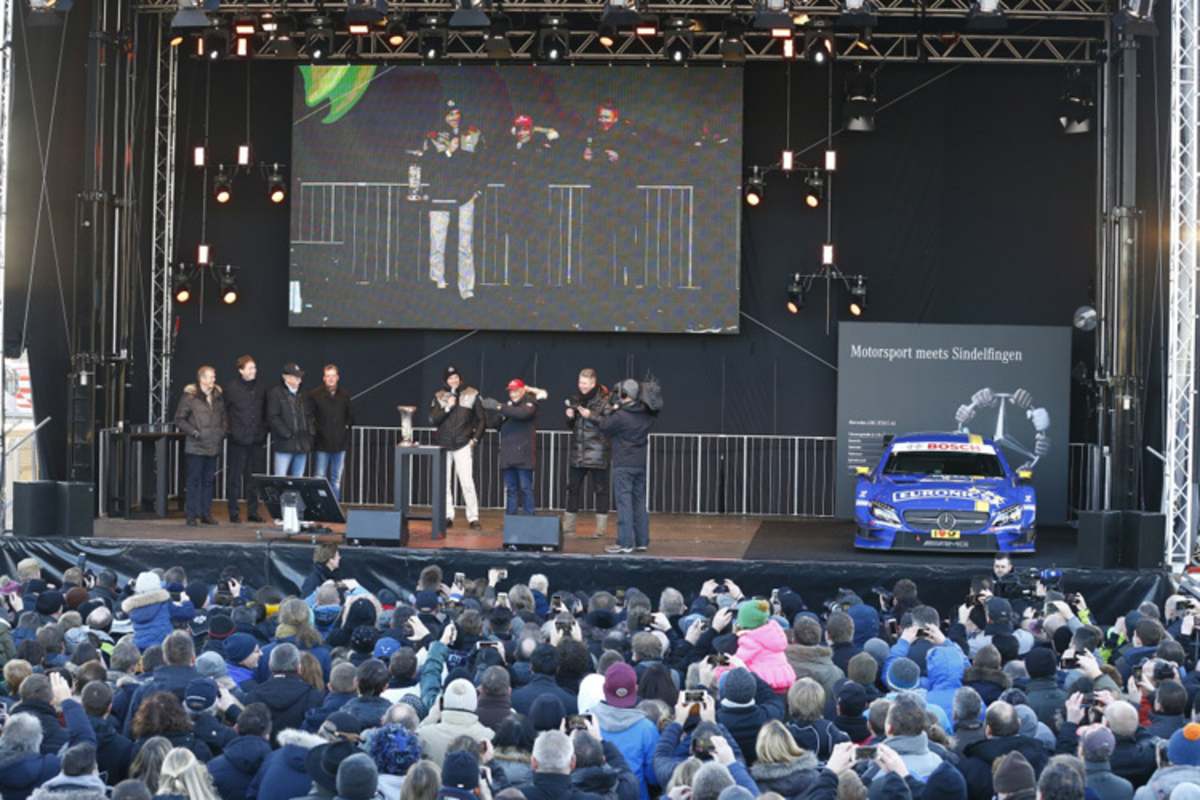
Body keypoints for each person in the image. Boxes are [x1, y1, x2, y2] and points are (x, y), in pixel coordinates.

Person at [582, 380, 654, 555]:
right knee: (639, 502)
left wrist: (590, 415)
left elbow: (605, 426)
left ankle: (625, 543)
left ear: (624, 395)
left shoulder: (621, 416)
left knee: (624, 504)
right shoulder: (645, 414)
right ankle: (641, 541)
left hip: (624, 464)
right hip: (640, 463)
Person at [430, 366, 484, 530]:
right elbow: (433, 419)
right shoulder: (439, 396)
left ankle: (473, 517)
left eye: (455, 377)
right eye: (450, 378)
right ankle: (447, 515)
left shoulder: (472, 393)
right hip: (444, 445)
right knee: (444, 483)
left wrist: (474, 440)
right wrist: (448, 407)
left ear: (460, 379)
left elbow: (481, 419)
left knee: (467, 482)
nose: (453, 380)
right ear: (445, 380)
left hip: (463, 444)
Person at [174, 365, 227, 527]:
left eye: (214, 377)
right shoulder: (190, 397)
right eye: (211, 377)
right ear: (202, 379)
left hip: (212, 445)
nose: (214, 379)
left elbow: (224, 418)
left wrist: (221, 433)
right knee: (194, 481)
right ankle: (191, 515)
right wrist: (195, 433)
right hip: (195, 446)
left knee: (208, 482)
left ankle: (206, 514)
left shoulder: (218, 397)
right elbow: (179, 419)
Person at [563, 370, 611, 539]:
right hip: (578, 452)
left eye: (584, 383)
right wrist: (570, 417)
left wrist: (591, 415)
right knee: (572, 489)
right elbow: (573, 426)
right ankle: (568, 529)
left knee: (601, 491)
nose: (581, 386)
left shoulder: (605, 399)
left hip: (598, 453)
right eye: (580, 382)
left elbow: (609, 423)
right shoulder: (576, 399)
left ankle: (601, 530)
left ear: (593, 383)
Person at [222, 355, 268, 524]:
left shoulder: (261, 387)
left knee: (253, 478)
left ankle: (253, 512)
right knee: (235, 477)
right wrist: (230, 431)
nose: (254, 371)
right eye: (250, 368)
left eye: (254, 368)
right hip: (238, 440)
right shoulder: (231, 388)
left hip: (256, 440)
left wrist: (263, 432)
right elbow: (224, 411)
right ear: (241, 370)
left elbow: (265, 412)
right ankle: (233, 512)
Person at [493, 379, 544, 516]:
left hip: (524, 454)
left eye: (515, 390)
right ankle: (510, 518)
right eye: (511, 391)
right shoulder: (507, 406)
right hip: (508, 454)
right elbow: (495, 424)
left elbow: (523, 414)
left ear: (522, 390)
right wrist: (499, 415)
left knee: (525, 487)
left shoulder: (530, 402)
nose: (513, 394)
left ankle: (529, 517)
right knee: (511, 489)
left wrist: (500, 408)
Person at [308, 364, 354, 503]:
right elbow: (310, 416)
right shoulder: (314, 395)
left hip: (340, 444)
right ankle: (319, 505)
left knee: (336, 479)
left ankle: (334, 507)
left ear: (338, 377)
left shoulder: (345, 395)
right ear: (324, 378)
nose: (331, 379)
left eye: (333, 376)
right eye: (328, 376)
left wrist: (345, 428)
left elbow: (350, 416)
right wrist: (316, 431)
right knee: (319, 477)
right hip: (322, 443)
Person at [267, 363, 315, 477]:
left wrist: (310, 434)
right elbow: (273, 417)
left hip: (302, 444)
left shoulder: (304, 394)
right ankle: (280, 496)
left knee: (298, 480)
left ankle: (295, 496)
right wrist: (287, 434)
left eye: (299, 376)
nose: (299, 379)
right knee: (280, 478)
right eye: (295, 376)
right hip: (284, 445)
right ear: (286, 377)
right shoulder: (276, 393)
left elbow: (309, 415)